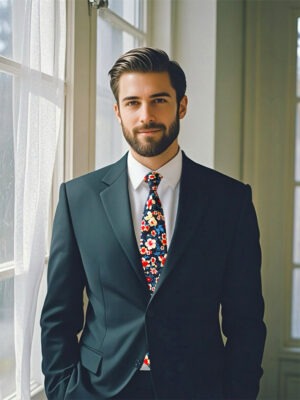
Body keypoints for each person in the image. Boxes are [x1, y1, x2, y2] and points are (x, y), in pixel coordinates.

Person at [40, 47, 266, 400]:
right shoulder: (77, 198)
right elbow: (58, 315)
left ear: (182, 106)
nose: (146, 115)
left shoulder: (230, 201)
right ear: (117, 112)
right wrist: (62, 390)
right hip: (97, 389)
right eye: (132, 103)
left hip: (199, 388)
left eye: (159, 100)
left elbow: (246, 320)